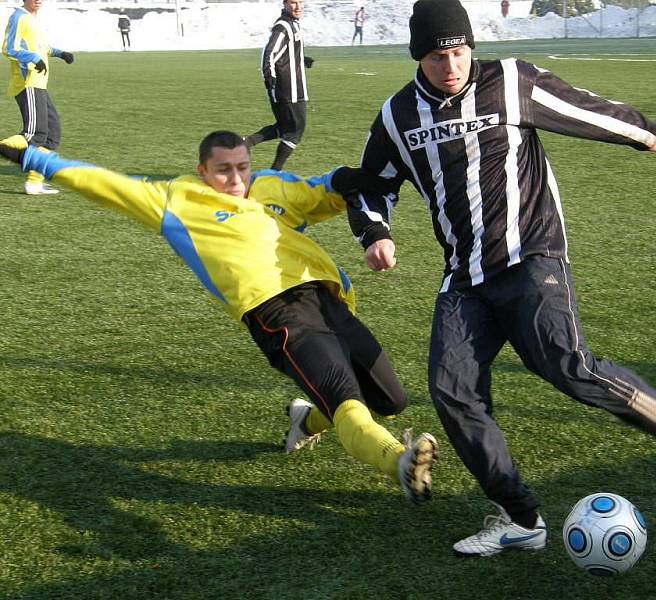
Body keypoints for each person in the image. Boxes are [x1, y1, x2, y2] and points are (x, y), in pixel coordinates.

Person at [347, 0, 656, 557]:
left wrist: (639, 130)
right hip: (464, 276)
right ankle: (521, 518)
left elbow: (578, 108)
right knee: (453, 392)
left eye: (460, 50)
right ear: (419, 56)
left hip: (532, 255)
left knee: (570, 368)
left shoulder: (509, 80)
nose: (452, 64)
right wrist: (375, 232)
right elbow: (372, 182)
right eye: (439, 55)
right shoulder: (398, 116)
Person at [0, 131, 439, 505]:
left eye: (242, 166)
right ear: (202, 170)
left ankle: (304, 421)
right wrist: (32, 156)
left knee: (391, 401)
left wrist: (344, 181)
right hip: (275, 312)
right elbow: (102, 182)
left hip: (328, 300)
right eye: (223, 169)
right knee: (347, 401)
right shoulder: (177, 199)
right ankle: (397, 460)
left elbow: (320, 193)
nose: (235, 179)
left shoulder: (269, 185)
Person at [2, 0, 74, 195]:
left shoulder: (33, 19)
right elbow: (9, 48)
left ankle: (34, 182)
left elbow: (40, 47)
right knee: (35, 134)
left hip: (39, 84)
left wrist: (59, 53)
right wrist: (33, 59)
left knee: (51, 133)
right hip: (28, 83)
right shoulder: (19, 17)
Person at [244, 0, 314, 171]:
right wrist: (269, 76)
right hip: (289, 88)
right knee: (295, 131)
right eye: (293, 2)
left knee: (284, 126)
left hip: (291, 87)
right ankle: (274, 172)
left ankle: (246, 143)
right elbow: (269, 52)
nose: (298, 6)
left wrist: (301, 59)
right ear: (285, 4)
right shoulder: (283, 26)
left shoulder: (293, 24)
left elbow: (286, 51)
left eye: (300, 2)